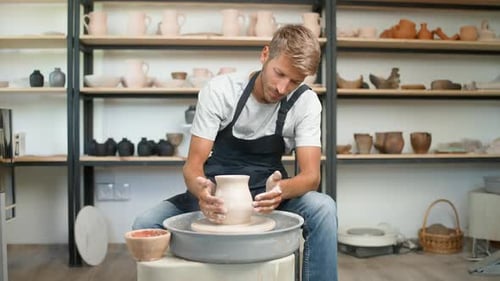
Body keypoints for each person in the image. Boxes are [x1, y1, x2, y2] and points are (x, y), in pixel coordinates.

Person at [133, 24, 338, 281]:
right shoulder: (221, 91)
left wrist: (281, 190)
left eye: (295, 81)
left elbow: (311, 177)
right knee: (144, 224)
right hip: (213, 195)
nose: (283, 88)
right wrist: (202, 194)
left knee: (323, 207)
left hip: (268, 197)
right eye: (279, 73)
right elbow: (192, 167)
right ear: (265, 55)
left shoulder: (306, 103)